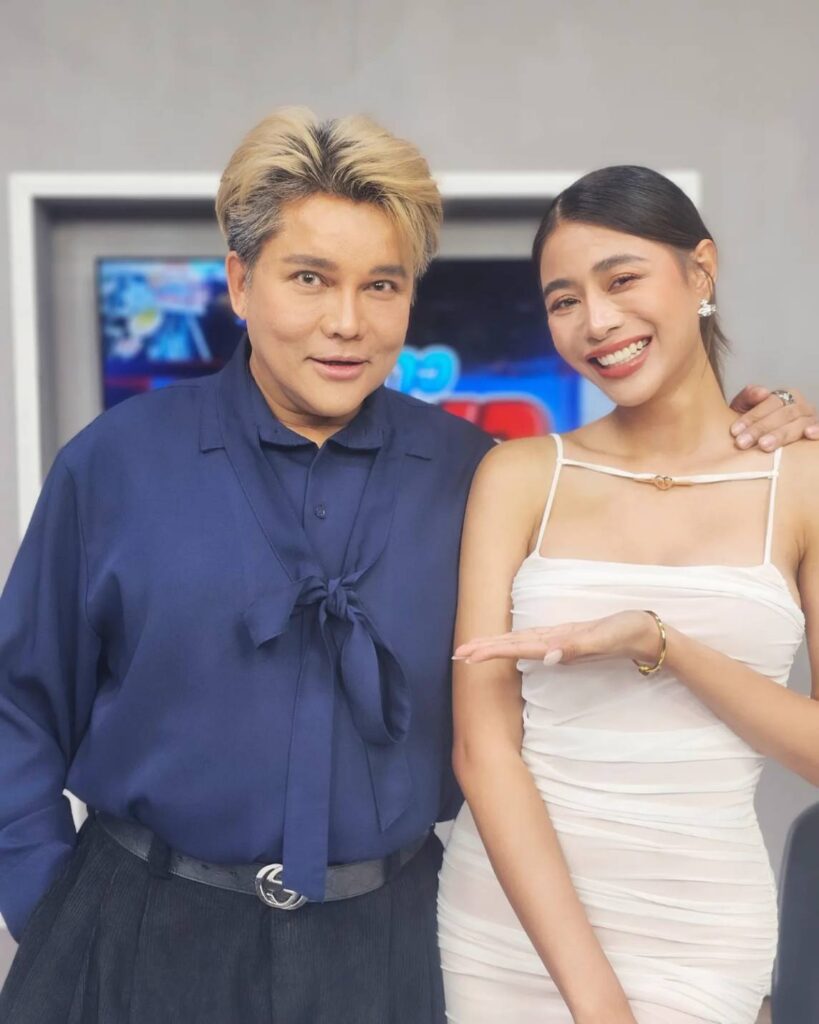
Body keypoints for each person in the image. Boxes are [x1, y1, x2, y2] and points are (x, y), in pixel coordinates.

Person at [0, 114, 813, 1024]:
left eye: (381, 286)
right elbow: (17, 703)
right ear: (239, 282)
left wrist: (774, 423)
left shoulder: (474, 474)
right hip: (141, 934)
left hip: (392, 953)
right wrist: (52, 913)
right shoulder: (118, 463)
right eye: (309, 279)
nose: (346, 323)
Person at [437, 165, 819, 1024]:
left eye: (620, 280)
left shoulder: (801, 480)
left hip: (702, 930)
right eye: (563, 300)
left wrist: (662, 644)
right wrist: (597, 1002)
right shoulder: (519, 475)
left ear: (700, 271)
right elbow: (482, 748)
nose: (596, 321)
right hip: (512, 928)